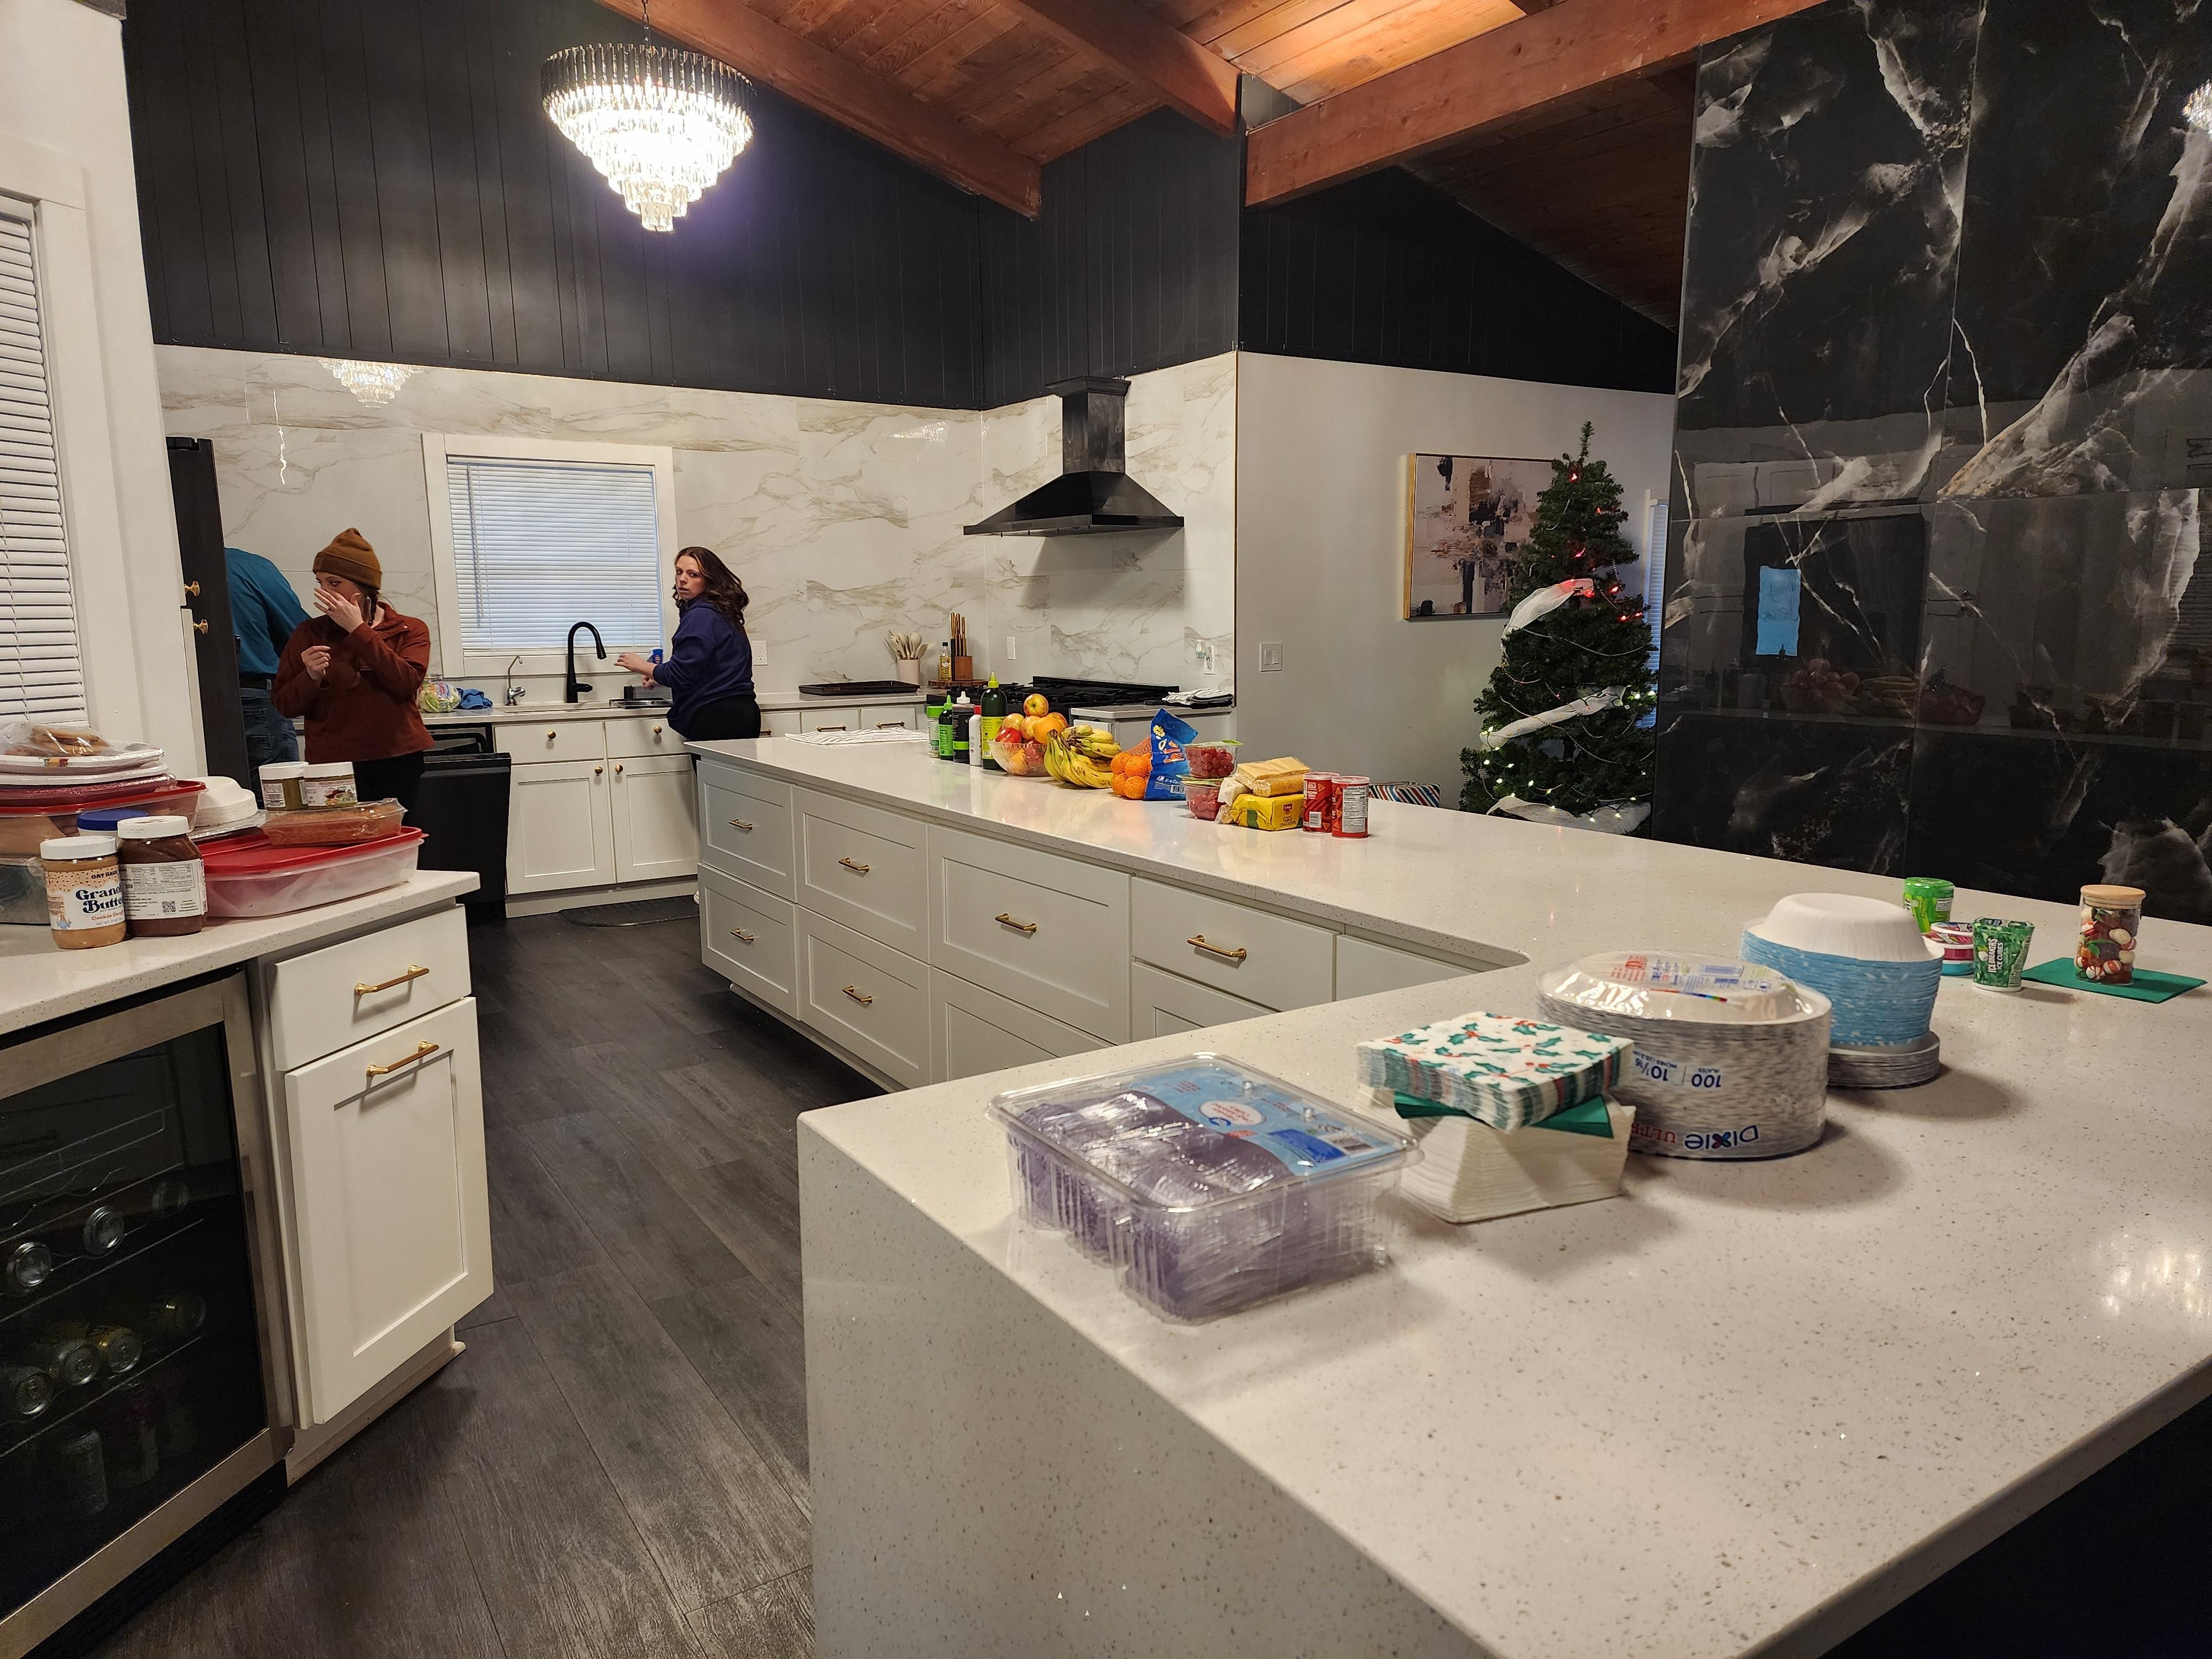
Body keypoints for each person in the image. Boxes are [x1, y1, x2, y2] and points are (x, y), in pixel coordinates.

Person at [271, 529, 434, 813]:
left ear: (365, 588)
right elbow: (284, 704)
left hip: (397, 757)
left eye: (335, 583)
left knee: (397, 845)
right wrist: (310, 677)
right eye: (320, 583)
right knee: (343, 847)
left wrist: (357, 630)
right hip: (333, 765)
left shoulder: (409, 629)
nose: (325, 592)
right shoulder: (309, 633)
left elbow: (406, 682)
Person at [617, 546, 759, 740]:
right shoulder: (719, 612)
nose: (682, 579)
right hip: (741, 712)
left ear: (709, 581)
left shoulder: (701, 615)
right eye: (679, 572)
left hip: (716, 716)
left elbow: (680, 673)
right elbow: (704, 668)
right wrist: (658, 677)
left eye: (693, 575)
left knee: (712, 772)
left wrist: (641, 666)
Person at [225, 545, 310, 773]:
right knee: (278, 796)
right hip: (255, 698)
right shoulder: (250, 567)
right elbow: (301, 637)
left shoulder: (163, 571)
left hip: (187, 705)